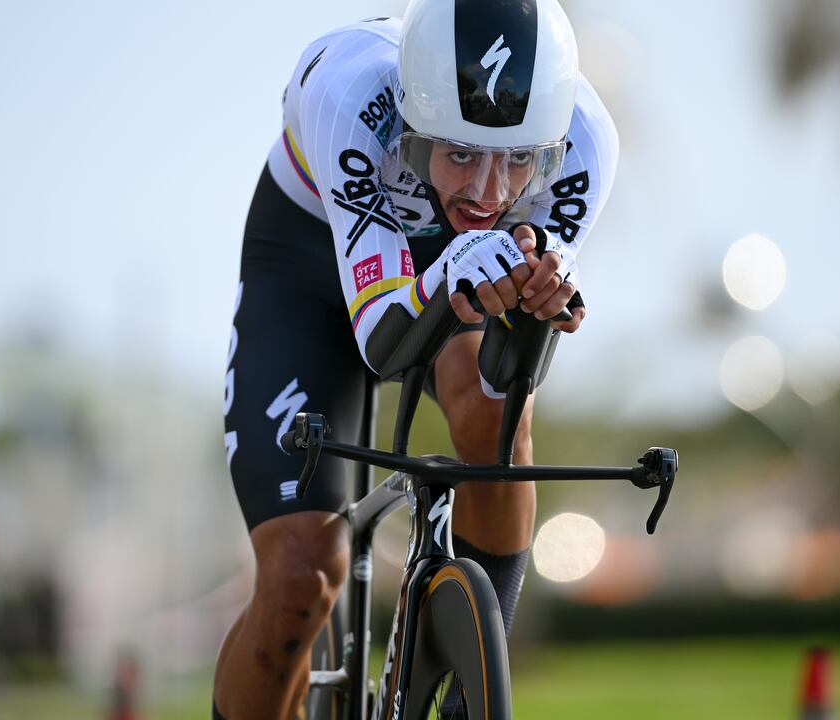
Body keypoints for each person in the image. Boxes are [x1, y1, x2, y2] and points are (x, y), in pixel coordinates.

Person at [215, 0, 617, 717]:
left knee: (498, 413)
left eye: (519, 160)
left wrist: (544, 295)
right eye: (460, 153)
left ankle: (466, 687)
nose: (489, 194)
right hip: (307, 262)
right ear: (410, 122)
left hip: (444, 267)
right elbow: (383, 343)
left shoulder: (586, 139)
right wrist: (444, 271)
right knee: (301, 577)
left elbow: (518, 365)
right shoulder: (348, 93)